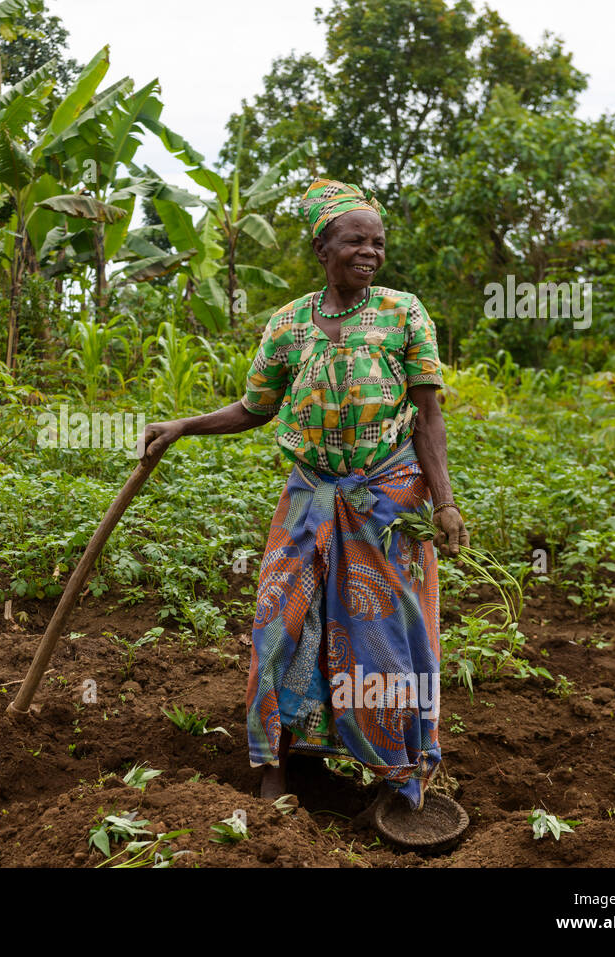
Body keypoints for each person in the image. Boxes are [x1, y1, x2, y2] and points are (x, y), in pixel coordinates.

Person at [140, 178, 468, 811]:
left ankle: (399, 774)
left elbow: (429, 416)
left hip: (388, 500)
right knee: (279, 623)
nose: (370, 252)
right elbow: (253, 408)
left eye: (378, 242)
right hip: (309, 494)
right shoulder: (288, 323)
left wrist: (446, 502)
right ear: (323, 247)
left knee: (385, 636)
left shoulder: (404, 313)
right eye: (355, 240)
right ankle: (280, 766)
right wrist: (184, 425)